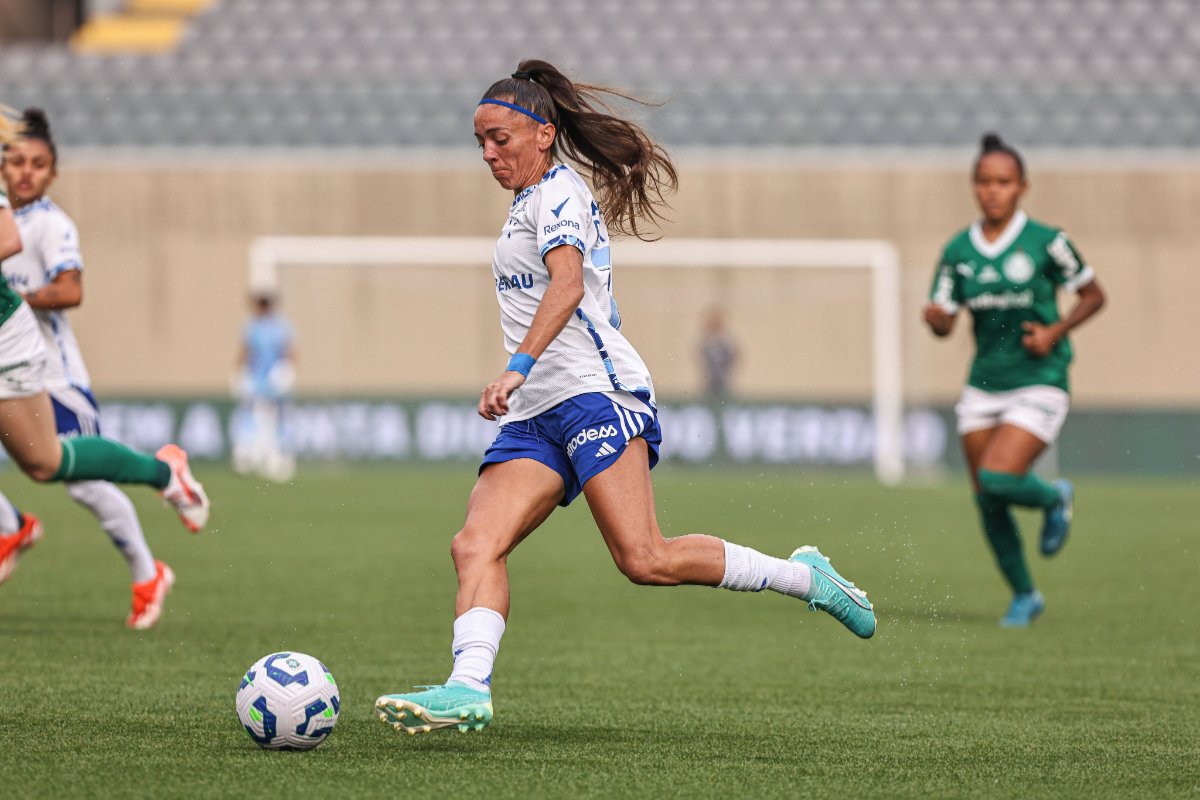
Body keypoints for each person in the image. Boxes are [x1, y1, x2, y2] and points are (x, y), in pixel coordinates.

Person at [375, 60, 876, 737]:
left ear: (543, 134)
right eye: (480, 142)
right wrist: (525, 384)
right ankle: (467, 688)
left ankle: (803, 577)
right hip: (537, 414)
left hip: (595, 395)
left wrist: (516, 368)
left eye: (500, 138)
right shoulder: (526, 202)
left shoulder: (558, 193)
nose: (488, 153)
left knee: (644, 559)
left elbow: (567, 286)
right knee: (474, 545)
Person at [0, 106, 210, 624]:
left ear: (52, 173)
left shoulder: (50, 223)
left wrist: (21, 297)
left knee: (78, 480)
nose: (26, 172)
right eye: (17, 161)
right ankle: (12, 527)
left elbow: (71, 289)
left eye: (37, 164)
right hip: (15, 352)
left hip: (54, 373)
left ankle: (147, 569)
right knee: (52, 467)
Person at [922, 133, 1105, 627]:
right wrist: (936, 319)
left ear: (1022, 186)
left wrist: (1054, 332)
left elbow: (1094, 295)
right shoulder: (958, 251)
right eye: (984, 181)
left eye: (1003, 182)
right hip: (984, 384)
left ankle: (1054, 497)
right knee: (987, 499)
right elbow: (945, 323)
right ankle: (1025, 595)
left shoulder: (1047, 242)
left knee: (999, 479)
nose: (992, 190)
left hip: (1040, 377)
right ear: (973, 185)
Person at [231, 291, 296, 482]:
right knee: (251, 415)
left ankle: (279, 455)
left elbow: (289, 350)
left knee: (278, 418)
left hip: (275, 380)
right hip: (256, 380)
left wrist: (286, 370)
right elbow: (245, 351)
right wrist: (240, 372)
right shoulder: (251, 326)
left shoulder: (281, 326)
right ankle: (247, 453)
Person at [698, 307, 738, 400]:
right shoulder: (707, 341)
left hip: (724, 380)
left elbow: (733, 355)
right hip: (709, 380)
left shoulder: (726, 340)